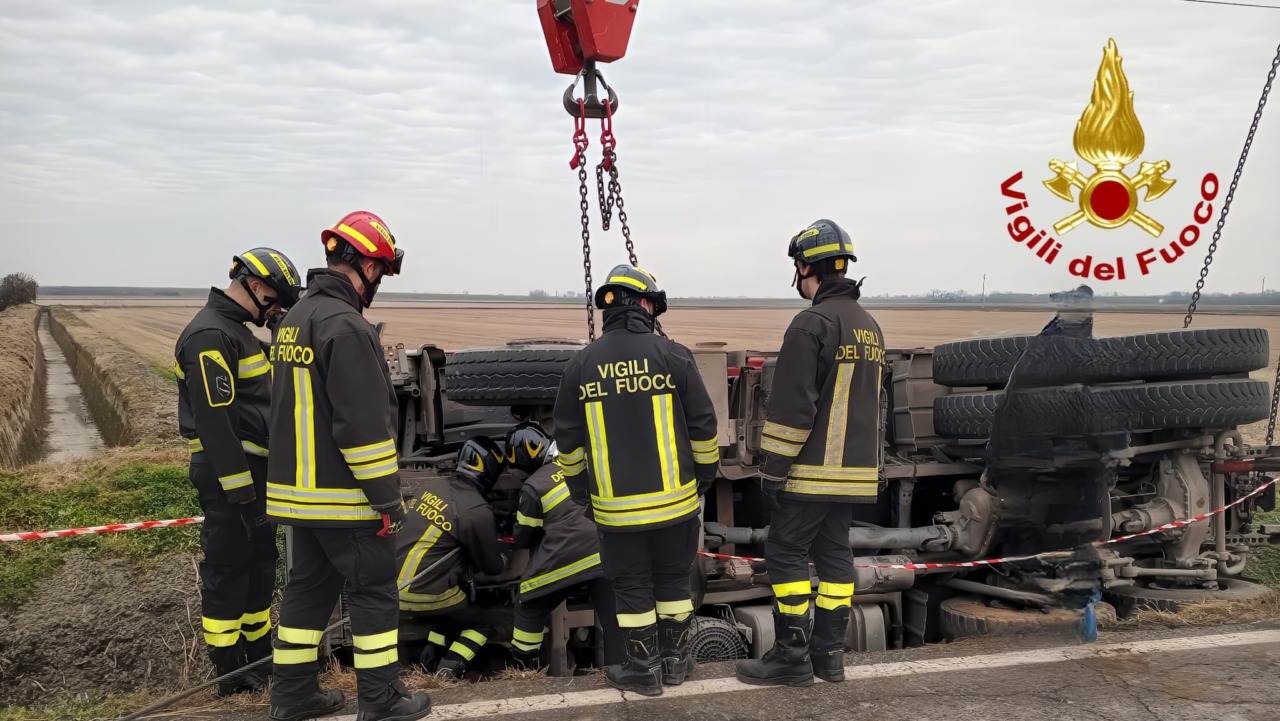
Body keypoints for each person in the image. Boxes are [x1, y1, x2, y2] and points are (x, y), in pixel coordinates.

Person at [265, 211, 431, 721]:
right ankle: (380, 701)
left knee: (306, 595)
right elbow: (361, 427)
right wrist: (387, 499)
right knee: (375, 595)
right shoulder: (347, 326)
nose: (379, 281)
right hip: (348, 499)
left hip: (300, 496)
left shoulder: (295, 320)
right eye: (380, 269)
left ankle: (292, 697)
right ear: (361, 264)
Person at [551, 264, 720, 697]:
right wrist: (701, 480)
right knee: (673, 583)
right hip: (677, 508)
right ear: (645, 304)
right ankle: (677, 664)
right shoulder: (674, 355)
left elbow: (568, 446)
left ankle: (643, 670)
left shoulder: (580, 365)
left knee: (631, 589)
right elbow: (704, 428)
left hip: (615, 513)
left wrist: (582, 494)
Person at [735, 219, 887, 688]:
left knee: (784, 552)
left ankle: (792, 657)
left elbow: (792, 408)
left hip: (812, 473)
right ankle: (829, 658)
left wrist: (773, 472)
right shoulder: (869, 326)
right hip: (855, 476)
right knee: (835, 554)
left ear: (807, 266)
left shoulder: (812, 324)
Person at [175, 248, 302, 697]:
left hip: (255, 473)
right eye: (277, 301)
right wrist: (241, 491)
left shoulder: (237, 332)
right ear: (258, 286)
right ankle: (228, 671)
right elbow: (216, 421)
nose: (276, 309)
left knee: (260, 566)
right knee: (229, 570)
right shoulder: (210, 335)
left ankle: (258, 656)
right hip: (232, 474)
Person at [506, 422, 621, 671]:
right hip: (605, 557)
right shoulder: (583, 464)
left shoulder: (534, 485)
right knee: (615, 618)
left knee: (528, 603)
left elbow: (525, 537)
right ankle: (622, 669)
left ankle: (526, 668)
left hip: (562, 563)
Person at [396, 437, 509, 680]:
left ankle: (430, 658)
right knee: (483, 622)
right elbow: (491, 568)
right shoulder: (475, 510)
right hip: (422, 594)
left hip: (391, 590)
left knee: (453, 607)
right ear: (489, 471)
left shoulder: (432, 487)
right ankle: (450, 668)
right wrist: (505, 553)